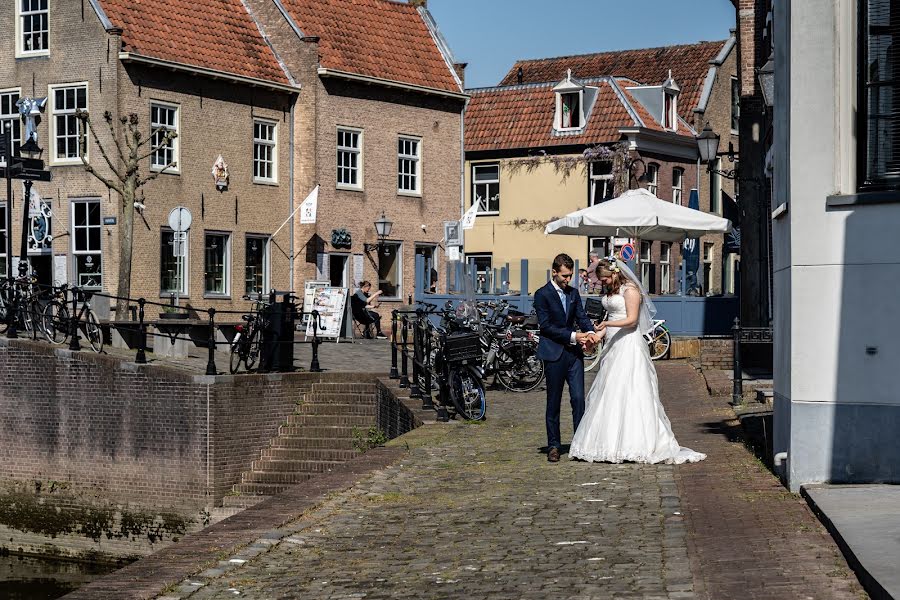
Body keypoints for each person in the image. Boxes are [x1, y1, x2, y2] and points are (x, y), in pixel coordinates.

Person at [569, 259, 706, 464]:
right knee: (610, 390)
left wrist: (607, 322)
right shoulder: (612, 291)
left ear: (614, 273)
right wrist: (599, 333)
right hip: (613, 344)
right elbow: (614, 316)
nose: (603, 282)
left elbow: (631, 320)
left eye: (605, 278)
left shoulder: (631, 290)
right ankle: (605, 442)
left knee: (629, 389)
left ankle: (633, 442)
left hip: (628, 344)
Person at [534, 253, 603, 463]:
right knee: (553, 401)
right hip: (554, 353)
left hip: (573, 355)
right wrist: (573, 336)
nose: (567, 280)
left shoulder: (573, 293)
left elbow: (581, 317)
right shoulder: (542, 294)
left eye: (570, 275)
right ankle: (554, 445)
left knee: (578, 399)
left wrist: (591, 332)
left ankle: (580, 443)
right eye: (564, 276)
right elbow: (545, 326)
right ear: (554, 272)